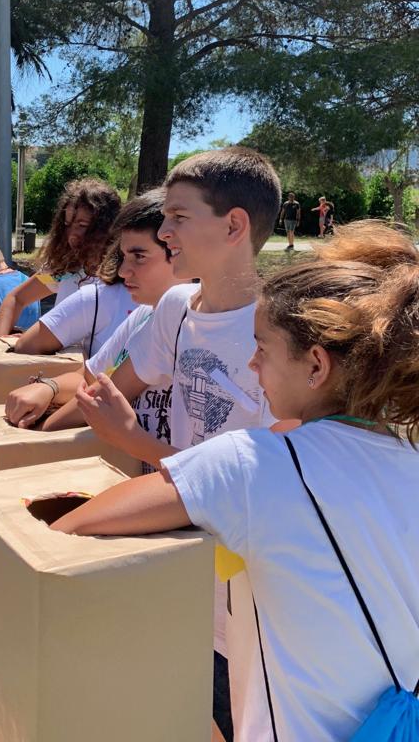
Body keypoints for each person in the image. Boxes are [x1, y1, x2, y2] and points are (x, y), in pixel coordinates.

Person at [52, 220, 419, 742]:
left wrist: (129, 439)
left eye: (262, 349)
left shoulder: (258, 463)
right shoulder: (407, 450)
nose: (252, 363)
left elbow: (74, 526)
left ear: (316, 365)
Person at [72, 147, 282, 740]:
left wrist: (132, 438)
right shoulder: (174, 308)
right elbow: (114, 383)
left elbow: (258, 485)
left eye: (179, 217)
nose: (164, 232)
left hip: (250, 586)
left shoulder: (283, 335)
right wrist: (60, 395)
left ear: (235, 226)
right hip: (185, 557)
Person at [5, 191, 180, 456]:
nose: (123, 271)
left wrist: (36, 437)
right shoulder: (142, 315)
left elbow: (100, 394)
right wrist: (49, 388)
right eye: (67, 224)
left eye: (139, 256)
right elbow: (92, 379)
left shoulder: (176, 321)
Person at [0, 179, 121, 337]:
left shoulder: (125, 276)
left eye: (82, 225)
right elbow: (16, 299)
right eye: (67, 224)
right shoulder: (62, 272)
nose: (72, 234)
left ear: (107, 227)